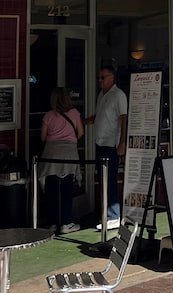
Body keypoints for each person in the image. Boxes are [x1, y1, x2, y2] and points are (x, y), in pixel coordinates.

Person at [84, 66, 128, 230]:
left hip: (111, 144)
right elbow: (101, 116)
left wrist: (122, 142)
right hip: (100, 143)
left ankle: (114, 215)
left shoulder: (119, 95)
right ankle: (106, 213)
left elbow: (123, 119)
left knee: (110, 179)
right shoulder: (101, 95)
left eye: (103, 77)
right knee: (103, 179)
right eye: (99, 78)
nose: (100, 81)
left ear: (112, 77)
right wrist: (86, 121)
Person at [39, 87, 83, 234]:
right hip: (69, 153)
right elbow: (81, 133)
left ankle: (52, 222)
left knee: (51, 190)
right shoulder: (75, 113)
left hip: (51, 153)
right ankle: (66, 222)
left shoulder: (48, 116)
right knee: (66, 188)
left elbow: (43, 137)